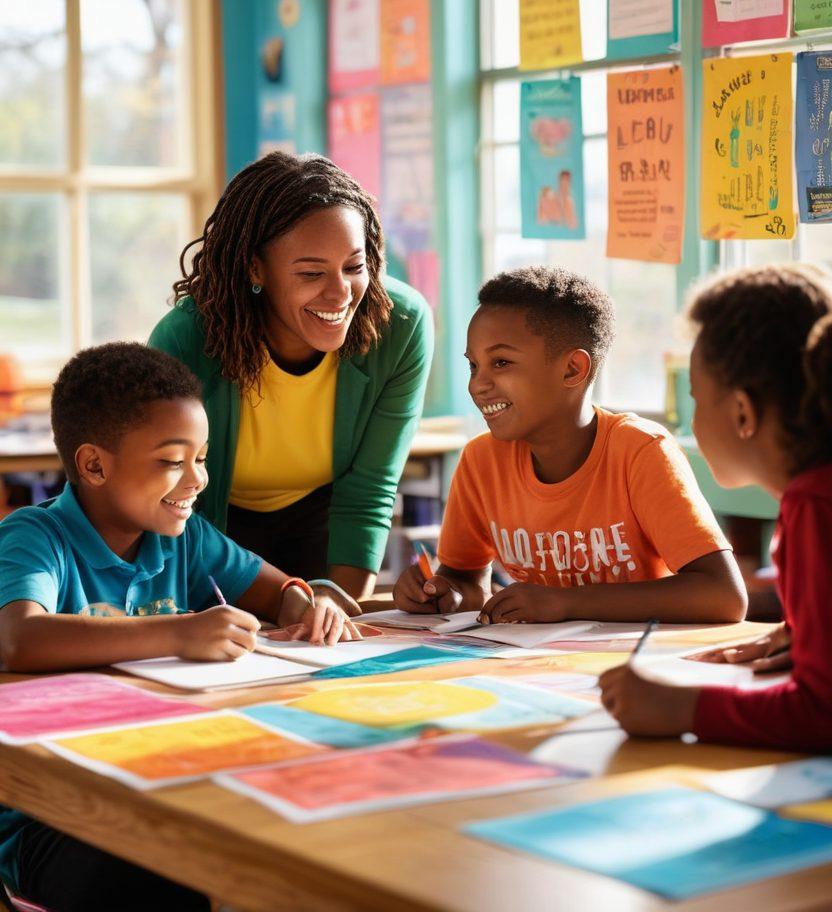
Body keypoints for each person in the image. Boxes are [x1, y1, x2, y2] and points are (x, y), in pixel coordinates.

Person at [0, 342, 356, 912]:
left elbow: (277, 589)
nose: (197, 480)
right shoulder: (36, 538)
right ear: (93, 465)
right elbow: (21, 639)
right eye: (172, 460)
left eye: (203, 457)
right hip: (54, 817)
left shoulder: (183, 537)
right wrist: (180, 632)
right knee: (176, 883)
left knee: (289, 850)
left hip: (165, 785)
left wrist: (304, 604)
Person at [149, 151, 433, 608]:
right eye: (311, 273)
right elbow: (164, 496)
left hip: (323, 524)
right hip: (206, 529)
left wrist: (337, 607)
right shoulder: (186, 339)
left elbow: (369, 490)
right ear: (255, 268)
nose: (340, 292)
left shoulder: (399, 324)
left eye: (354, 267)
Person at [393, 266, 746, 624]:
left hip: (635, 659)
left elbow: (724, 596)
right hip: (540, 663)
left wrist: (566, 603)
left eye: (501, 363)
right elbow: (466, 582)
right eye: (473, 366)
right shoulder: (481, 460)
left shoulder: (640, 452)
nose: (477, 385)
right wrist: (441, 593)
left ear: (573, 369)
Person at [599, 265, 832, 751]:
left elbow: (822, 713)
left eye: (697, 401)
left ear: (743, 413)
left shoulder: (814, 506)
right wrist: (806, 637)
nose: (695, 422)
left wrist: (681, 708)